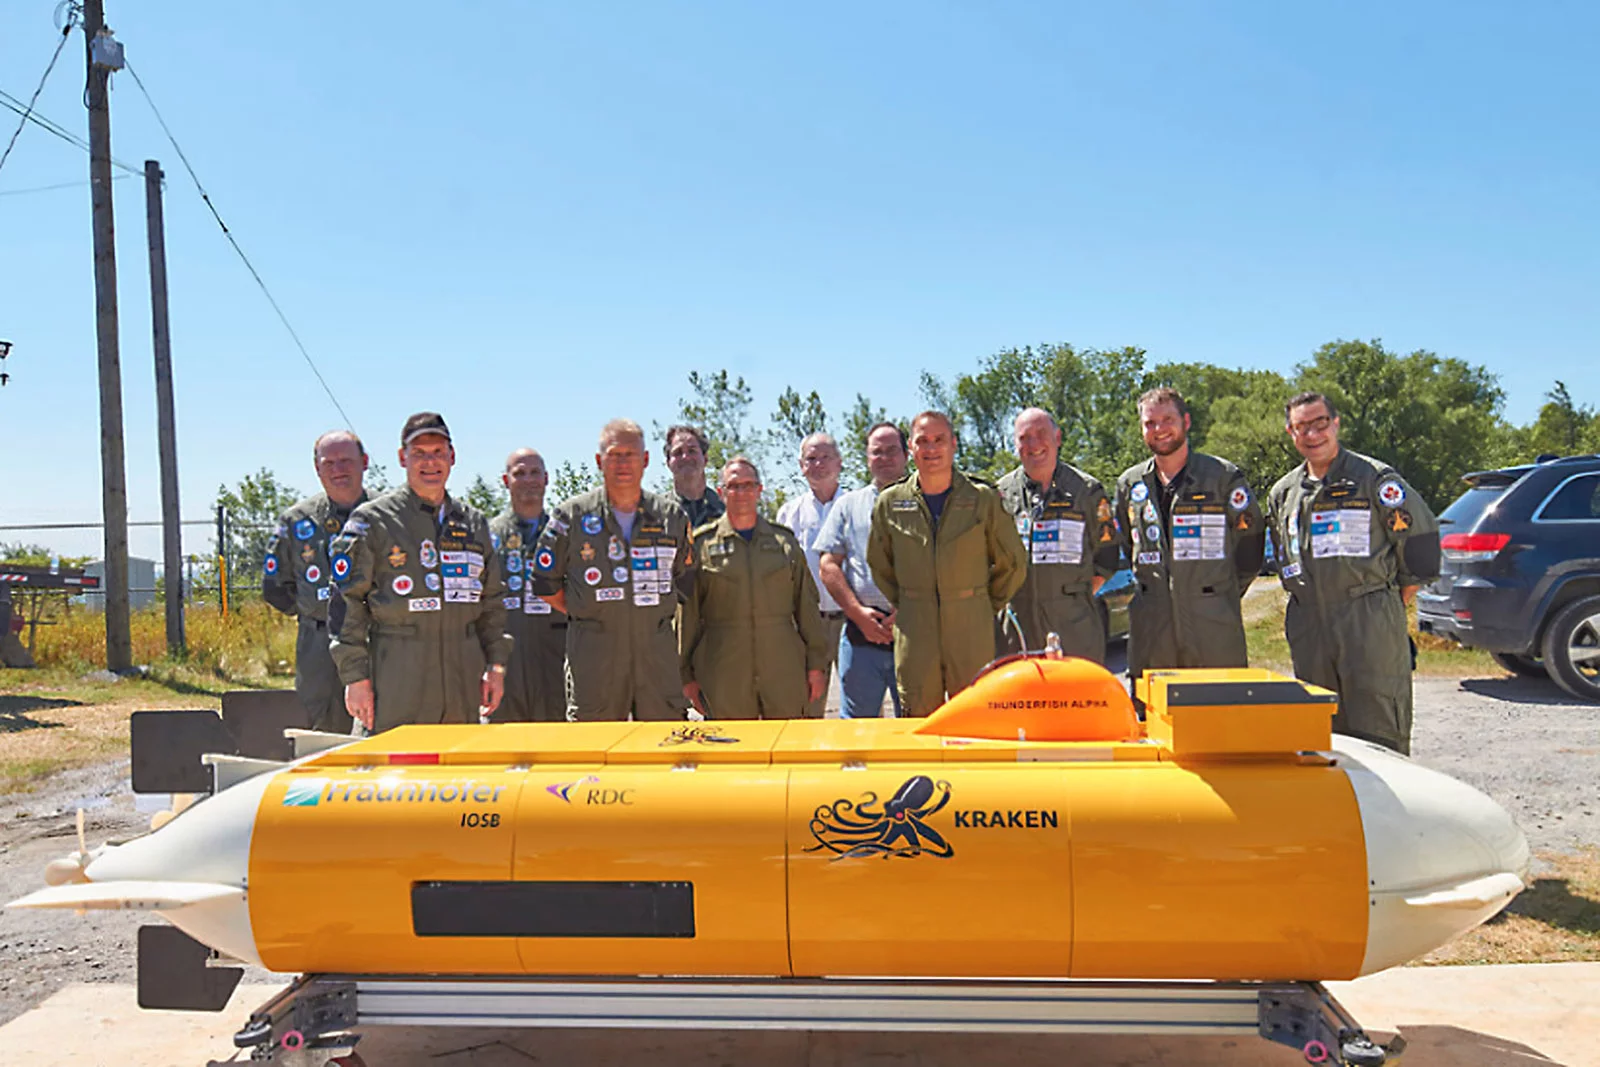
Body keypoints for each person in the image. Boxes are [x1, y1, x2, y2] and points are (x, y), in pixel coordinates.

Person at [1266, 392, 1441, 754]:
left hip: (1367, 618)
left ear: (1336, 423)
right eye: (1302, 427)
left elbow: (1420, 543)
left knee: (1378, 723)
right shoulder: (1284, 493)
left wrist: (1388, 600)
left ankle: (1385, 808)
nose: (1312, 434)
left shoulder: (1374, 479)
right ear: (1290, 433)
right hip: (1309, 622)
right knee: (1319, 727)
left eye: (1319, 424)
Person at [327, 413, 510, 733]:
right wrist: (355, 677)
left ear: (452, 457)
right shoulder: (374, 521)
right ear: (402, 457)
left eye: (438, 452)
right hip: (398, 672)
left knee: (456, 773)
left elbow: (492, 601)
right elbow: (346, 603)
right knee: (392, 775)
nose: (430, 463)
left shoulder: (472, 523)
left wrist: (495, 666)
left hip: (461, 676)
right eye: (420, 453)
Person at [529, 418, 694, 721]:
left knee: (664, 746)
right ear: (598, 461)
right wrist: (587, 610)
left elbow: (685, 581)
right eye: (614, 454)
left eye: (630, 454)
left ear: (645, 460)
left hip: (655, 657)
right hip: (595, 657)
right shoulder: (571, 516)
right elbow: (543, 583)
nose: (622, 463)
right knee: (594, 749)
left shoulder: (671, 517)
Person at [868, 411, 1027, 717]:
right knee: (919, 715)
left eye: (939, 440)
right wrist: (910, 602)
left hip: (971, 626)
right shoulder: (891, 502)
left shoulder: (983, 498)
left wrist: (982, 603)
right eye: (922, 441)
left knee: (975, 715)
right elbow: (880, 563)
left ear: (954, 444)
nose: (931, 449)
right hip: (916, 628)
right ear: (911, 449)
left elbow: (1013, 562)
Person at [1115, 388, 1265, 681]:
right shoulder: (1130, 485)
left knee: (1219, 714)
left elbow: (1250, 543)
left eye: (1167, 419)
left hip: (1212, 626)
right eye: (1150, 423)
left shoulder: (1222, 476)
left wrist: (1218, 594)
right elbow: (1125, 541)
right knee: (1156, 717)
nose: (1159, 429)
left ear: (1186, 421)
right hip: (1152, 629)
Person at [680, 457, 829, 718]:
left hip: (782, 666)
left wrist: (816, 666)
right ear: (721, 492)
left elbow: (806, 608)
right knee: (731, 749)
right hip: (723, 670)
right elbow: (687, 616)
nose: (741, 493)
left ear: (759, 491)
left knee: (787, 745)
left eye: (748, 485)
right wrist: (685, 675)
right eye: (733, 486)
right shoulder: (702, 545)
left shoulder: (784, 543)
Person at [263, 430, 370, 732]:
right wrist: (314, 611)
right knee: (321, 728)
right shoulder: (296, 521)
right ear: (317, 468)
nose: (338, 470)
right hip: (319, 644)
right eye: (329, 462)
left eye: (346, 461)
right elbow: (274, 585)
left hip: (379, 639)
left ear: (364, 462)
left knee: (384, 723)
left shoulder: (388, 514)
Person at [997, 408, 1119, 662]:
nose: (1033, 444)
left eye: (1041, 434)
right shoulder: (1000, 494)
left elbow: (1107, 557)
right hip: (1017, 630)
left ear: (1058, 438)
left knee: (1077, 700)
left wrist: (1074, 597)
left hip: (1074, 628)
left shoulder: (1087, 491)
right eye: (1024, 437)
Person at [817, 421, 909, 717]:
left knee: (916, 723)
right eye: (876, 452)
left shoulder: (925, 501)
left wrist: (906, 612)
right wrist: (858, 613)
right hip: (861, 635)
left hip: (913, 632)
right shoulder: (848, 505)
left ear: (906, 454)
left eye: (892, 450)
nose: (884, 458)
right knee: (858, 729)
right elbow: (828, 565)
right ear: (867, 457)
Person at [489, 448, 566, 722]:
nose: (529, 480)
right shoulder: (489, 536)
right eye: (519, 473)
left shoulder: (564, 533)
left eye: (535, 472)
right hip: (507, 664)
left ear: (546, 479)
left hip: (555, 660)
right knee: (506, 751)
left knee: (559, 752)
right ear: (505, 480)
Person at [776, 432, 847, 716]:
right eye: (811, 459)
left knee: (862, 706)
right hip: (808, 625)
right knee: (808, 705)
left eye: (825, 457)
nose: (818, 464)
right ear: (801, 465)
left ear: (839, 463)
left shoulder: (856, 506)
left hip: (852, 622)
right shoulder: (789, 514)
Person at [665, 424, 726, 528]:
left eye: (692, 451)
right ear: (668, 463)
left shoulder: (725, 509)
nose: (685, 457)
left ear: (705, 459)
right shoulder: (656, 512)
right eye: (678, 452)